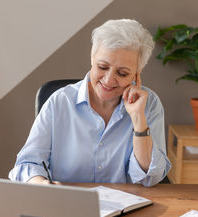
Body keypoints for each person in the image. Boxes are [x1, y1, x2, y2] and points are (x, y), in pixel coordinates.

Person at [9, 19, 170, 186]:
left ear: (137, 73)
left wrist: (138, 119)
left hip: (127, 207)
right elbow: (27, 164)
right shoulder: (60, 102)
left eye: (122, 73)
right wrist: (42, 184)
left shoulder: (149, 104)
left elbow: (149, 178)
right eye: (102, 67)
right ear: (92, 58)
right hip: (68, 203)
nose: (108, 80)